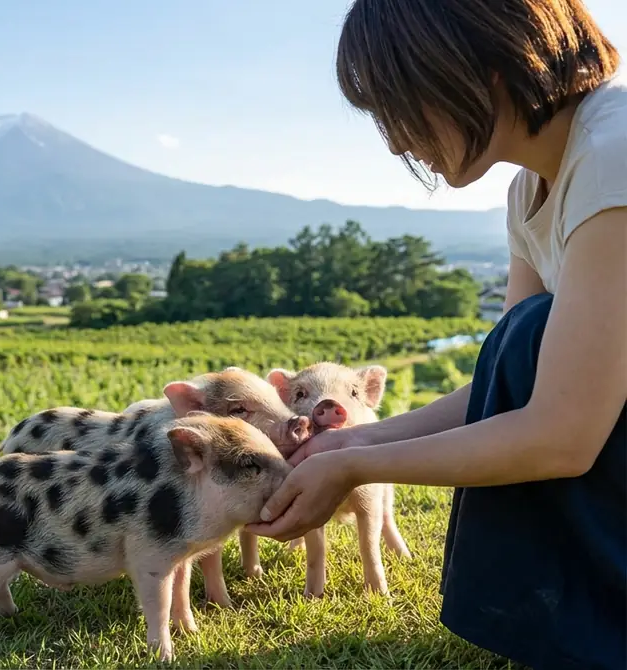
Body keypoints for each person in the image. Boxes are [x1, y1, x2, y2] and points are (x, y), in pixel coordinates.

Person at [245, 1, 627, 668]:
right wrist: (359, 436)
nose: (396, 142)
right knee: (522, 339)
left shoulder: (613, 154)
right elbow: (509, 385)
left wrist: (356, 465)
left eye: (401, 106)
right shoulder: (532, 189)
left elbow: (563, 432)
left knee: (527, 332)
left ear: (483, 68)